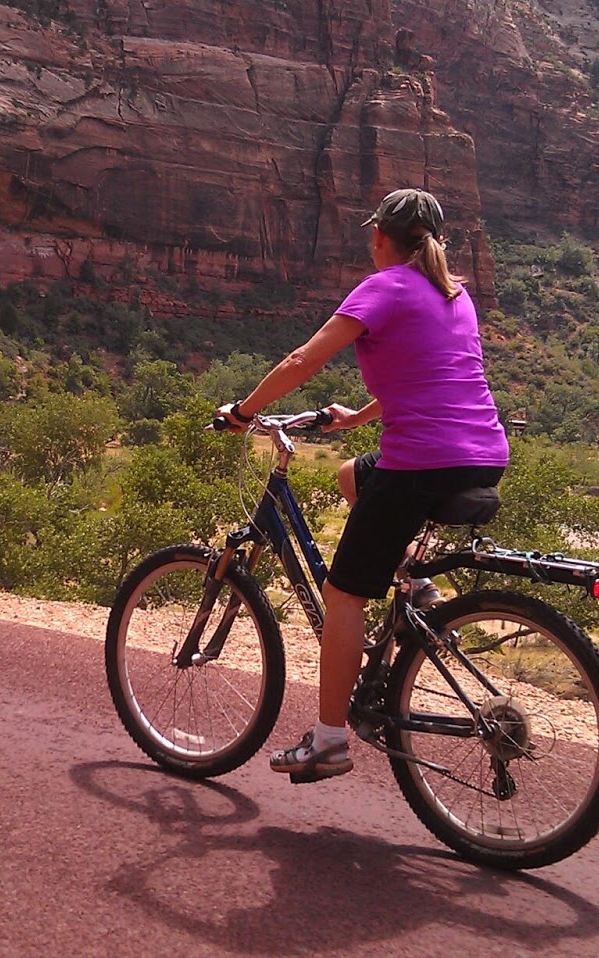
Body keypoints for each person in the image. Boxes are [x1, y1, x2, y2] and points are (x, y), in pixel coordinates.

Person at [216, 187, 510, 781]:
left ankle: (327, 741)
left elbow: (304, 360)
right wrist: (357, 419)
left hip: (423, 465)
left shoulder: (385, 286)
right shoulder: (456, 294)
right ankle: (414, 587)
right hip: (483, 457)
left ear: (380, 238)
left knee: (345, 594)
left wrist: (244, 412)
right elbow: (431, 377)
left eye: (372, 233)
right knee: (355, 473)